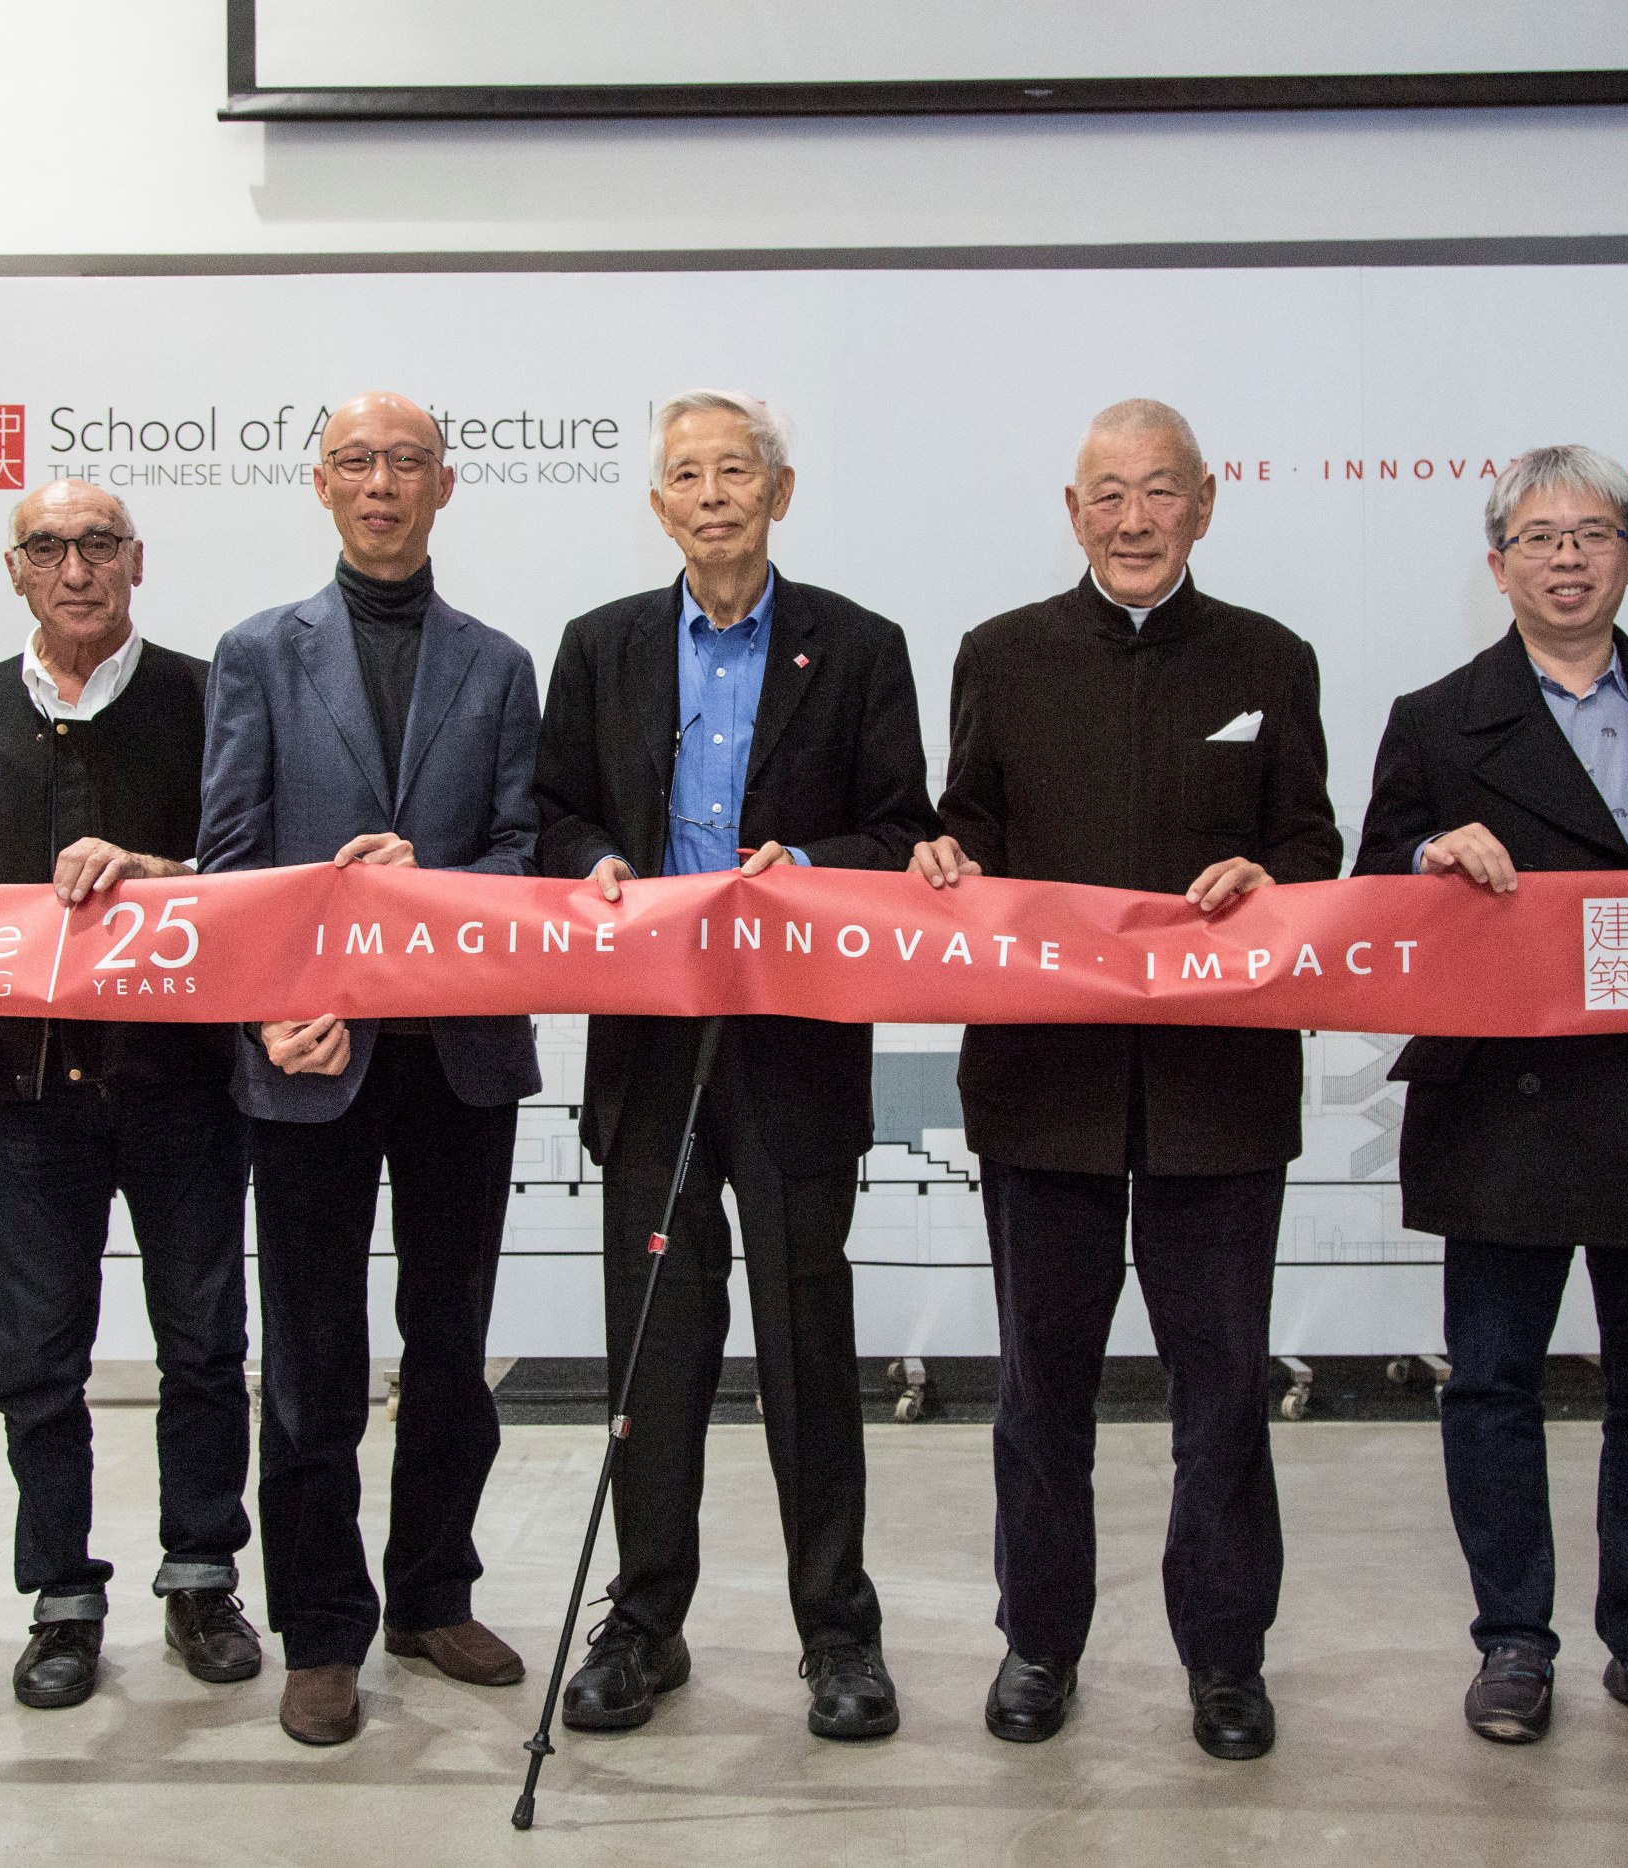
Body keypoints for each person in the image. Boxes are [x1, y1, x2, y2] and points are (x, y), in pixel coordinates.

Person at [1355, 445, 1628, 1752]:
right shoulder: (1437, 719)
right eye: (1540, 537)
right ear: (1496, 564)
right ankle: (1512, 1644)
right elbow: (1370, 877)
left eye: (1593, 533)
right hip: (1506, 1103)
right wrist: (1429, 853)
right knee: (1491, 1384)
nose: (1568, 556)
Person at [912, 398, 1341, 1761]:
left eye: (1160, 493)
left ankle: (1226, 1660)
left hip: (1221, 1095)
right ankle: (1039, 1645)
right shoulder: (1001, 654)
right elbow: (964, 824)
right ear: (1073, 508)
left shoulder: (1273, 656)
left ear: (1203, 506)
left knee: (1221, 1399)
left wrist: (1278, 883)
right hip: (1046, 1094)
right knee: (1042, 1396)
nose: (1134, 518)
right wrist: (939, 855)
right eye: (1108, 494)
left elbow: (1314, 848)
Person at [535, 389, 935, 1742]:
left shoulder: (860, 647)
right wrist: (591, 860)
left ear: (780, 492)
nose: (712, 495)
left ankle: (838, 1635)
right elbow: (555, 808)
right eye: (687, 476)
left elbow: (902, 833)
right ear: (658, 505)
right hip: (648, 1041)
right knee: (654, 1349)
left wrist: (810, 871)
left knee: (808, 1341)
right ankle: (644, 1625)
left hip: (794, 1041)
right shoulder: (599, 648)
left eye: (736, 472)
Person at [0, 481, 258, 1711]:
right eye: (48, 547)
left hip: (181, 1080)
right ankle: (61, 1595)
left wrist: (160, 870)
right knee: (34, 1355)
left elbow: (255, 881)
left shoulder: (211, 694)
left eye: (100, 545)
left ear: (137, 562)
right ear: (15, 569)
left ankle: (202, 1571)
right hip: (24, 1085)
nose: (76, 568)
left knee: (203, 1342)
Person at [199, 392, 543, 1747]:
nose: (382, 483)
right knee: (312, 1357)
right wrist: (267, 1009)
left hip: (457, 1056)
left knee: (452, 1349)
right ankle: (323, 1630)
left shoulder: (501, 663)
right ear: (321, 483)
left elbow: (527, 856)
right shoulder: (256, 654)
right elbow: (229, 865)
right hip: (310, 1056)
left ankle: (431, 1593)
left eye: (407, 462)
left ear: (446, 486)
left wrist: (440, 884)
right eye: (357, 461)